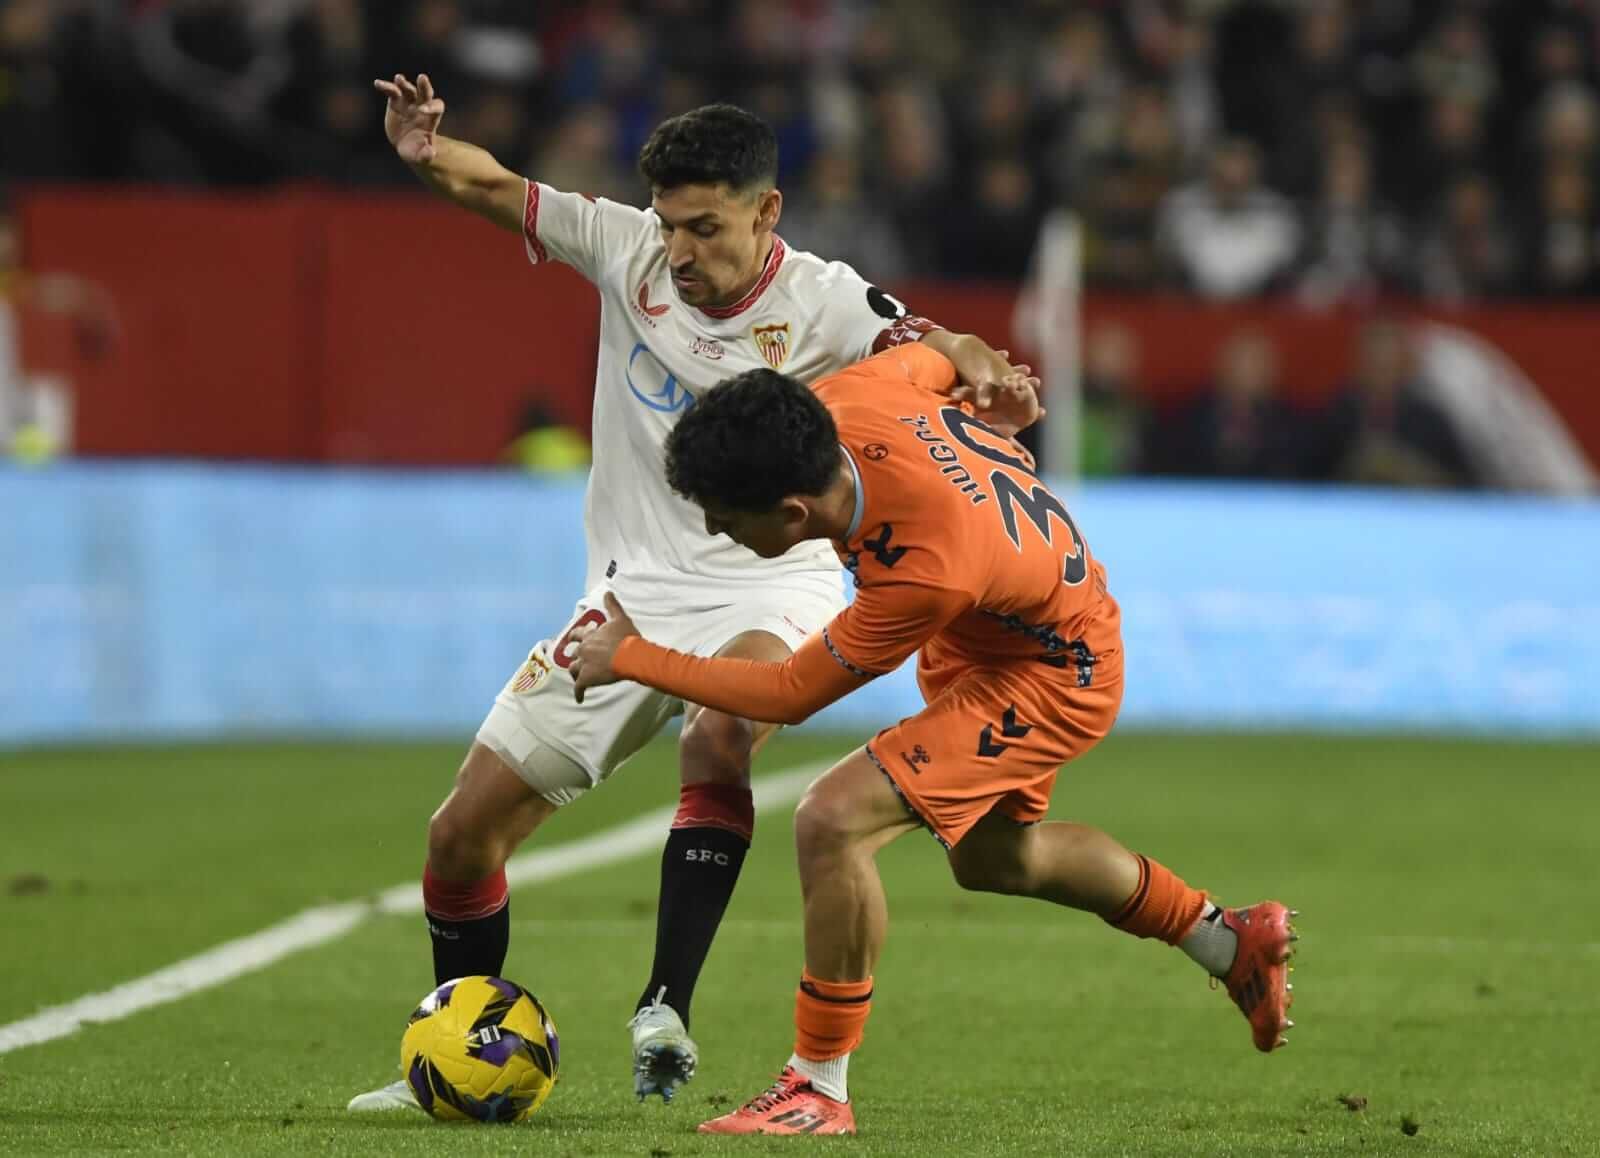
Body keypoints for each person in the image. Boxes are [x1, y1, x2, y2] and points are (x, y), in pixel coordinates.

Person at [349, 75, 1034, 1110]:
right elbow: (496, 188)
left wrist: (990, 371)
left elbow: (938, 345)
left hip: (775, 579)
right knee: (459, 837)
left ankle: (663, 1006)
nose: (678, 250)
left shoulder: (825, 300)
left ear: (767, 213)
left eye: (704, 228)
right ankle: (459, 1044)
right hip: (628, 592)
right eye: (669, 224)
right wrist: (423, 150)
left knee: (719, 734)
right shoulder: (625, 250)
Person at [569, 343, 1297, 1135]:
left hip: (1055, 670)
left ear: (793, 515)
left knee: (832, 819)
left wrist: (631, 655)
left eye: (726, 519)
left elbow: (788, 693)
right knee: (994, 859)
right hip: (992, 631)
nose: (715, 528)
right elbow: (934, 355)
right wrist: (989, 374)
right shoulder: (852, 395)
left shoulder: (927, 566)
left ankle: (817, 1086)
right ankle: (1226, 941)